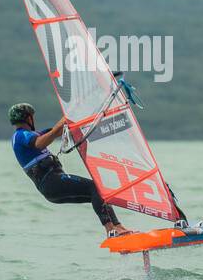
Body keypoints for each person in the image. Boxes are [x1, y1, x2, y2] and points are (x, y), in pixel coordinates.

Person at [8, 102, 132, 237]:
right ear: (28, 118)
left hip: (51, 186)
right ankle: (111, 230)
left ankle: (118, 227)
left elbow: (59, 130)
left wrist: (77, 110)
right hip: (51, 182)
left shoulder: (32, 134)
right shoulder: (21, 135)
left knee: (98, 193)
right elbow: (40, 142)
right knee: (94, 187)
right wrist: (68, 116)